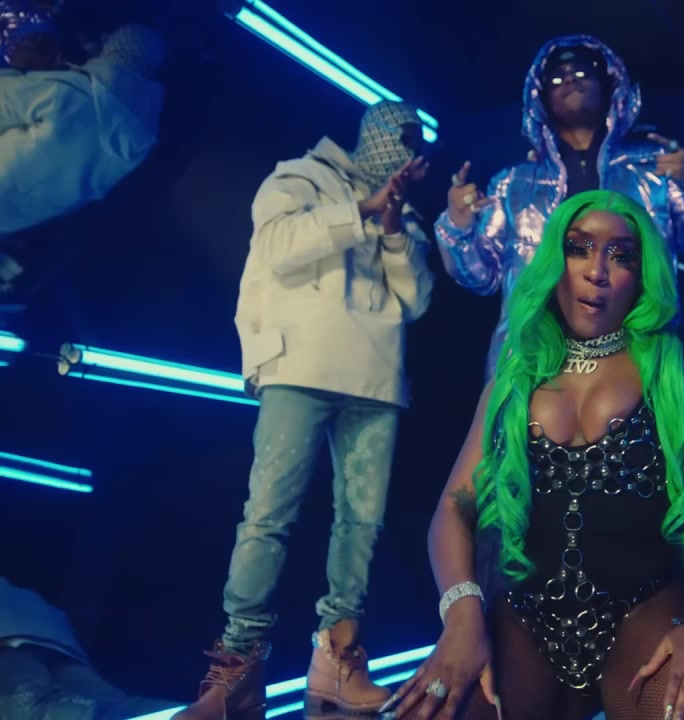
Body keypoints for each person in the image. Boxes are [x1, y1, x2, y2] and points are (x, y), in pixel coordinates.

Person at [388, 190, 684, 720]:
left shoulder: (680, 357)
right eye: (579, 248)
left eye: (621, 255)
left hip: (645, 616)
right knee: (428, 712)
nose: (597, 271)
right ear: (554, 261)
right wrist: (462, 617)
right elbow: (454, 506)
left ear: (642, 273)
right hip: (524, 624)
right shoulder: (519, 367)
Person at [174, 101, 435, 720]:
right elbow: (278, 246)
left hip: (375, 376)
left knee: (362, 522)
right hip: (299, 364)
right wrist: (362, 209)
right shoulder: (300, 177)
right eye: (398, 138)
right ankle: (237, 667)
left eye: (415, 143)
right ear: (372, 135)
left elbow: (416, 298)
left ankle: (337, 660)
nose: (405, 152)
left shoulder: (404, 210)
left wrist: (392, 225)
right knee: (267, 515)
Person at [435, 34, 684, 380]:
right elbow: (480, 276)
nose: (570, 82)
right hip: (537, 363)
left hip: (639, 357)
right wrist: (458, 225)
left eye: (581, 73)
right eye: (557, 79)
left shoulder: (654, 168)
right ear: (540, 99)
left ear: (608, 86)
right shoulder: (513, 183)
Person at [0, 23, 166, 235]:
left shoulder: (72, 93)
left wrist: (19, 68)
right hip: (12, 221)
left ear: (112, 47)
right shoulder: (140, 143)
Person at [0, 577, 180, 720]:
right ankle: (195, 712)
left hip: (13, 625)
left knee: (33, 709)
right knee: (114, 705)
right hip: (32, 622)